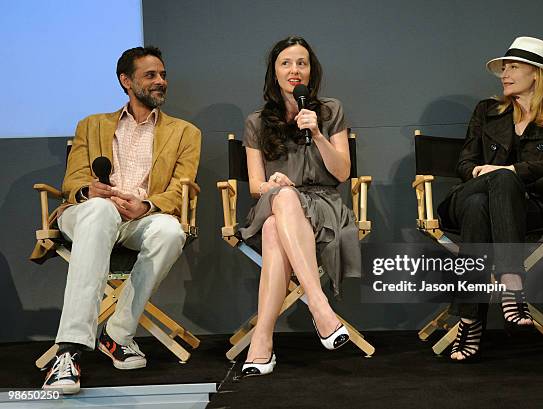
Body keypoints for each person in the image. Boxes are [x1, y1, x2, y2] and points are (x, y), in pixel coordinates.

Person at [35, 46, 202, 393]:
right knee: (99, 210)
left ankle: (118, 333)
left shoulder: (185, 132)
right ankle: (69, 350)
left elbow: (181, 187)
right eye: (150, 75)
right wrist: (91, 192)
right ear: (126, 81)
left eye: (163, 75)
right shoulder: (92, 125)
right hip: (87, 214)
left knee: (172, 231)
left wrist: (146, 206)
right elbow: (72, 182)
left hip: (141, 217)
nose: (161, 82)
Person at [438, 37, 543, 361]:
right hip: (468, 194)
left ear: (537, 73)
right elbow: (463, 163)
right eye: (504, 68)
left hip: (528, 208)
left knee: (485, 204)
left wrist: (514, 170)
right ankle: (512, 284)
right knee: (488, 189)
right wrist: (486, 174)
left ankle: (469, 320)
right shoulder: (487, 111)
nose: (504, 74)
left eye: (513, 67)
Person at [239, 36, 360, 376]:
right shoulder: (257, 122)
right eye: (286, 63)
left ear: (311, 71)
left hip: (323, 204)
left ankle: (261, 342)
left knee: (276, 229)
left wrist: (318, 134)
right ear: (274, 72)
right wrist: (273, 184)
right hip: (276, 200)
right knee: (284, 199)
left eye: (302, 63)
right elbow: (254, 185)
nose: (295, 70)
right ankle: (321, 308)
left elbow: (342, 173)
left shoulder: (330, 110)